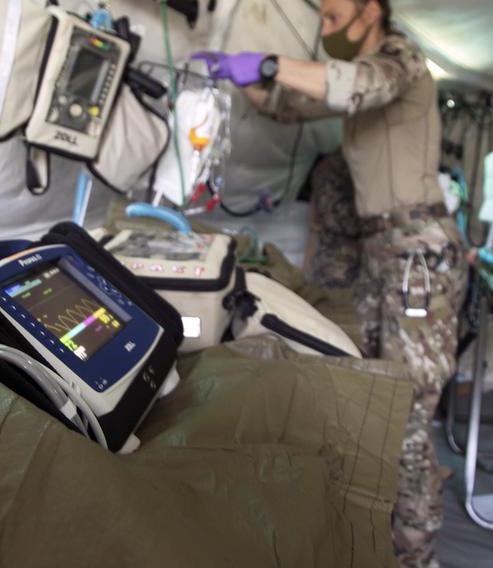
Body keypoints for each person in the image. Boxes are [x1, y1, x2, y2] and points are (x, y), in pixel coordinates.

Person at [193, 1, 467, 566]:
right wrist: (236, 75)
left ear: (372, 10)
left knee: (407, 414)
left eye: (334, 15)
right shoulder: (355, 83)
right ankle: (363, 541)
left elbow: (357, 85)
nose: (324, 27)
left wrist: (267, 62)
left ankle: (414, 556)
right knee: (367, 392)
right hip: (382, 254)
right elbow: (289, 106)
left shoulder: (402, 60)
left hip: (419, 256)